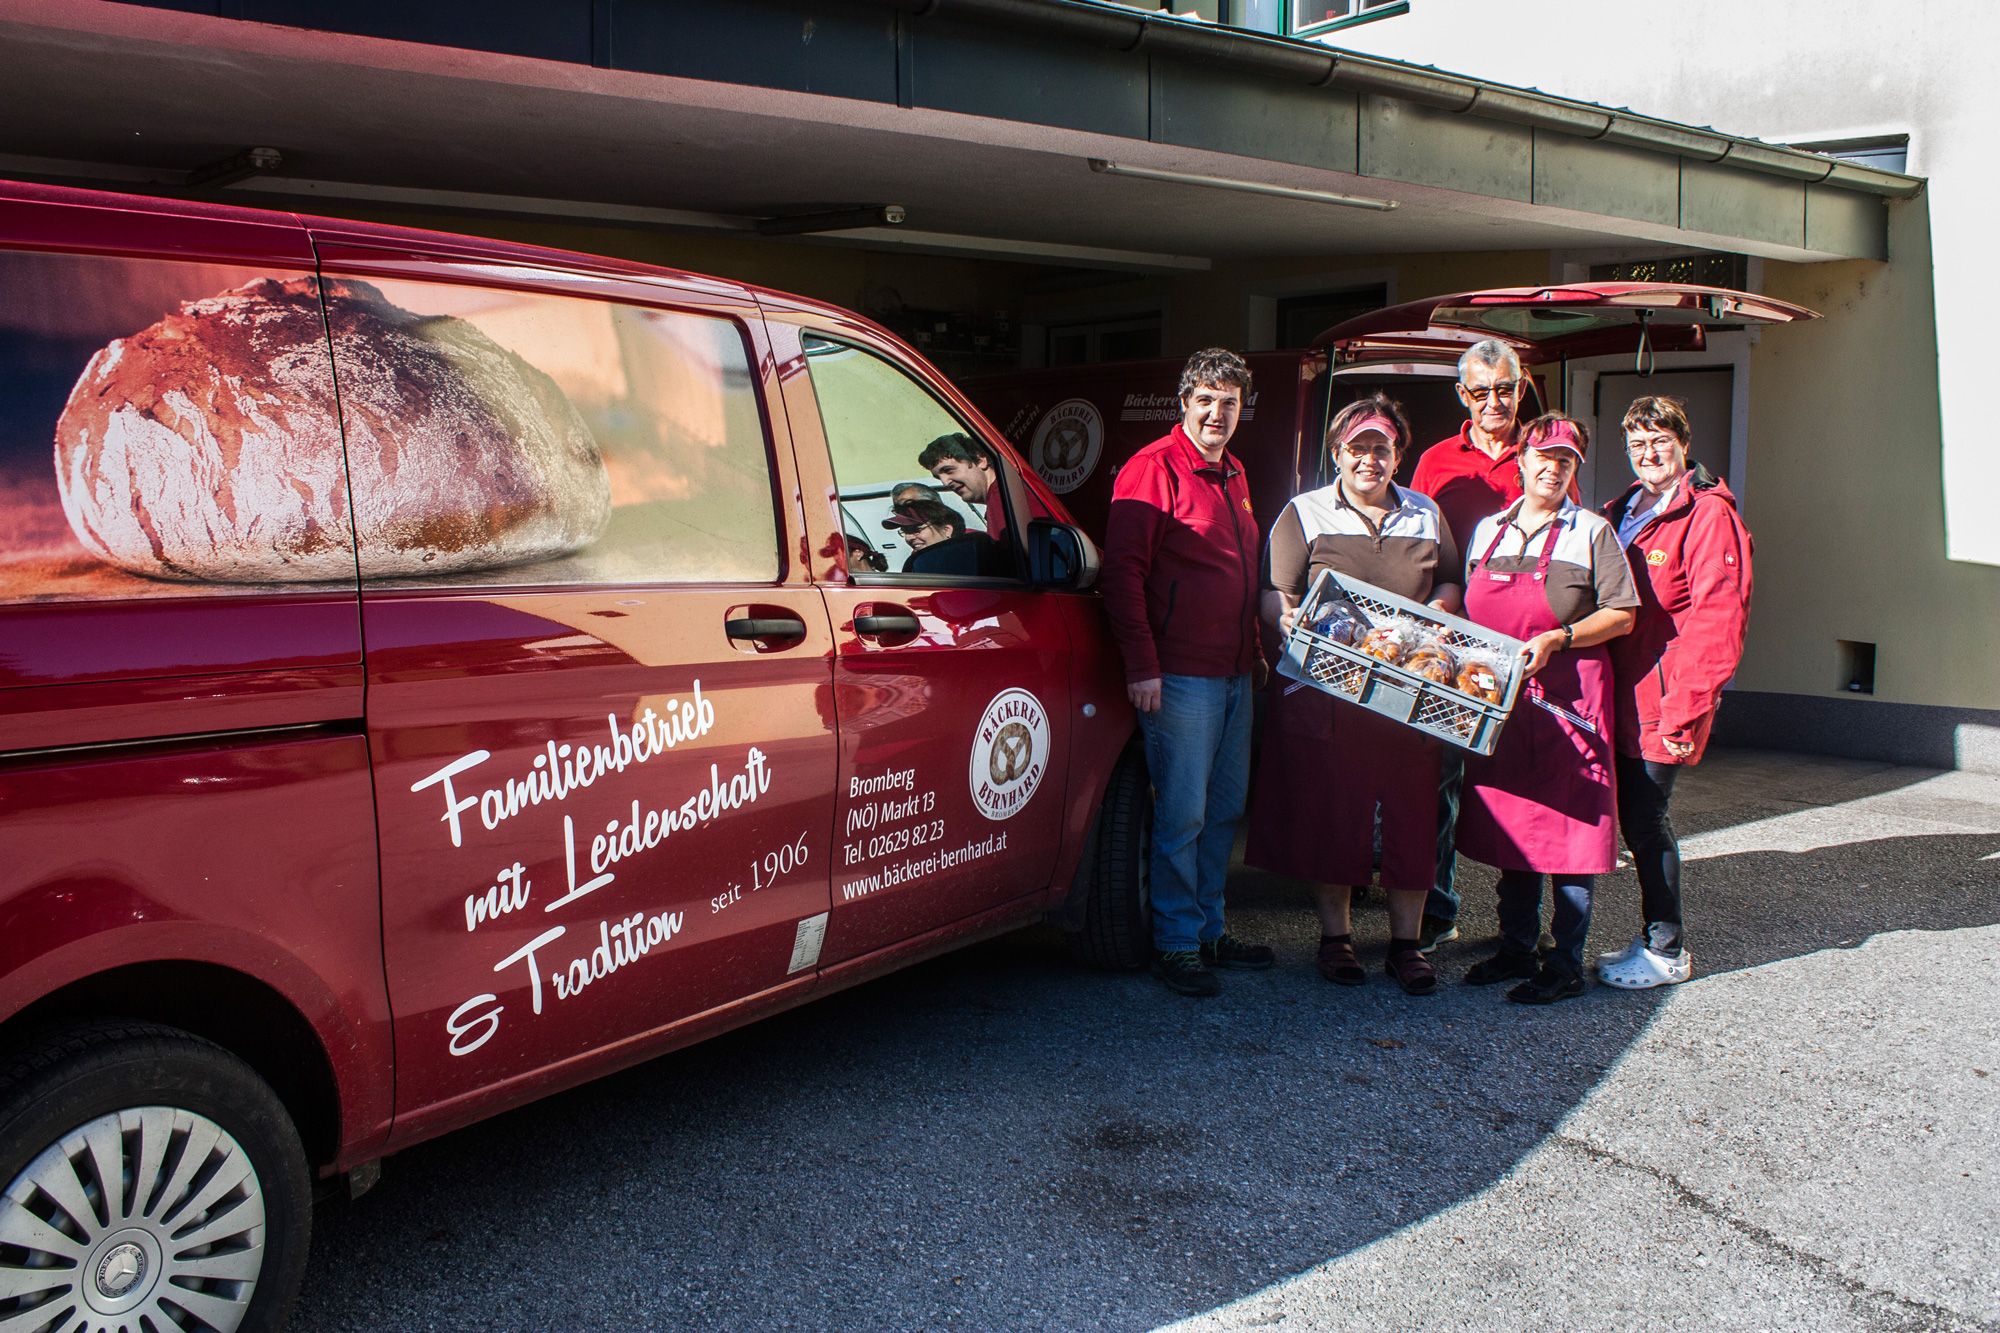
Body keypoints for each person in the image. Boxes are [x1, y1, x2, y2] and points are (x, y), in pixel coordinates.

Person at [1248, 393, 1463, 995]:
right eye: (1357, 447)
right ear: (1337, 453)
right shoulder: (1304, 512)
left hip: (1410, 689)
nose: (1370, 458)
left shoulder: (1426, 512)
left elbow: (1450, 580)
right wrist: (1285, 618)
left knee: (1411, 814)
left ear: (1399, 455)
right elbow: (1276, 591)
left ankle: (1405, 946)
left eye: (1382, 448)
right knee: (1334, 810)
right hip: (1331, 688)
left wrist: (1436, 616)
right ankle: (1336, 939)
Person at [1100, 348, 1273, 996]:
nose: (1216, 414)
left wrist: (1253, 648)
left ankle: (1208, 930)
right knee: (1182, 814)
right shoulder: (1152, 468)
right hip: (1178, 676)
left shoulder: (1235, 471)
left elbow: (1242, 573)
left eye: (1229, 402)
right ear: (1184, 404)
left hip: (1233, 673)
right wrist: (1142, 664)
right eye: (1205, 400)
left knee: (1223, 811)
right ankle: (1175, 943)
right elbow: (1123, 574)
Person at [1456, 414, 1638, 1004]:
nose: (1554, 469)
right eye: (1545, 457)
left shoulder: (1591, 532)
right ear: (1521, 461)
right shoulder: (1488, 530)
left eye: (1566, 461)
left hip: (1569, 699)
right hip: (1504, 702)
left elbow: (1622, 613)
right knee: (1514, 823)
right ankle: (1516, 946)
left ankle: (1564, 961)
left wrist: (1561, 637)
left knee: (1569, 831)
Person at [1596, 395, 1753, 988]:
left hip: (1663, 700)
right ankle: (1652, 939)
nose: (1649, 453)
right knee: (1633, 821)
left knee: (1645, 820)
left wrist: (1685, 712)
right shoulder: (1624, 509)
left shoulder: (1708, 515)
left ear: (1683, 444)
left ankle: (1667, 949)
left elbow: (1718, 621)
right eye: (1637, 444)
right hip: (1619, 695)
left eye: (1660, 440)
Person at [1406, 338, 1536, 954]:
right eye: (1481, 391)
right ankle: (1438, 909)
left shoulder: (1541, 453)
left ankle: (1519, 924)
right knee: (1439, 780)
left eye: (1504, 389)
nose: (1494, 402)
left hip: (1521, 644)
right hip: (1450, 640)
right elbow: (1415, 541)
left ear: (1521, 387)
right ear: (1462, 395)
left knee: (1520, 781)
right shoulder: (1435, 461)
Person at [918, 433, 1007, 538]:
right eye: (938, 477)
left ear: (980, 460)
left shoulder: (1002, 499)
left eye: (948, 470)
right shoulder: (1001, 496)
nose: (945, 483)